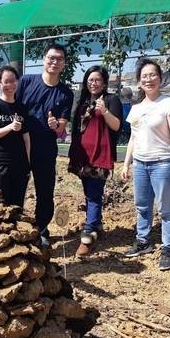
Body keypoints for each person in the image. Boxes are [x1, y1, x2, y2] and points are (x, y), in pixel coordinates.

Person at [120, 58, 170, 271]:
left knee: (165, 208)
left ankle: (168, 248)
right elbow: (133, 138)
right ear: (139, 82)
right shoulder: (136, 108)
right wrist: (126, 164)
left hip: (163, 163)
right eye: (144, 76)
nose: (149, 79)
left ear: (160, 78)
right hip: (140, 163)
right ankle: (143, 241)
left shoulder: (169, 104)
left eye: (153, 75)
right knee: (142, 205)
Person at [16, 43, 74, 247]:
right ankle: (13, 229)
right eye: (51, 57)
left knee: (45, 191)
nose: (54, 62)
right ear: (44, 59)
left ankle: (41, 229)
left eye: (59, 59)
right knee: (16, 189)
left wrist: (56, 125)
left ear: (64, 64)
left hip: (46, 149)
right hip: (20, 146)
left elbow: (61, 129)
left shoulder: (66, 93)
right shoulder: (26, 81)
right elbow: (12, 106)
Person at [68, 66, 122, 256]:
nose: (94, 83)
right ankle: (97, 224)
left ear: (105, 83)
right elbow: (76, 127)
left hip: (100, 154)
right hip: (82, 154)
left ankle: (89, 233)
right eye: (90, 80)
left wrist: (105, 111)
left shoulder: (111, 100)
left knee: (94, 193)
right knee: (89, 192)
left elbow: (116, 126)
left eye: (98, 80)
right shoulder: (82, 101)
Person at [0, 65, 30, 207]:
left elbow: (26, 138)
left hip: (20, 165)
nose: (10, 85)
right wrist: (10, 126)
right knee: (0, 206)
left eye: (13, 81)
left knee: (17, 206)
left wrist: (28, 163)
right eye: (6, 81)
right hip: (0, 164)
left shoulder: (22, 107)